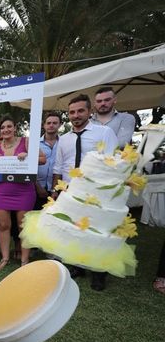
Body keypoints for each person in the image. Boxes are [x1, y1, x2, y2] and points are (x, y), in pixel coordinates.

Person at [51, 94, 117, 290]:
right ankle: (77, 266)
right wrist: (57, 191)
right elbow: (59, 166)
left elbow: (111, 163)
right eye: (72, 112)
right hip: (70, 193)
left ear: (90, 111)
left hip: (95, 192)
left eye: (80, 111)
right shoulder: (64, 139)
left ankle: (98, 273)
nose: (76, 115)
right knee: (73, 231)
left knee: (96, 233)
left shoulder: (104, 133)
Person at [0, 116, 36, 270]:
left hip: (23, 190)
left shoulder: (26, 142)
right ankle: (5, 258)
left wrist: (28, 157)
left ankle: (24, 260)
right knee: (3, 225)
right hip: (1, 190)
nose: (6, 130)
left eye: (9, 126)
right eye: (3, 128)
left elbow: (42, 159)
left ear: (14, 128)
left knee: (23, 226)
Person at [35, 112, 61, 209]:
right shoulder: (34, 144)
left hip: (57, 190)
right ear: (44, 125)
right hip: (37, 189)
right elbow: (30, 167)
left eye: (55, 123)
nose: (51, 125)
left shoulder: (64, 143)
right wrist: (38, 187)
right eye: (48, 123)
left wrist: (55, 190)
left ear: (60, 125)